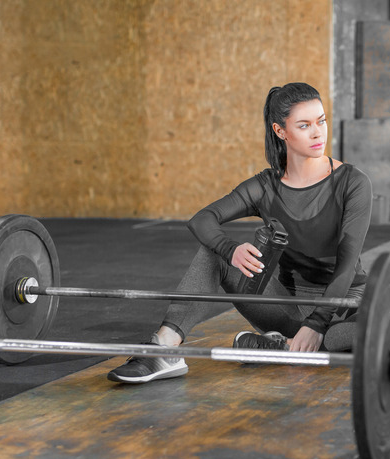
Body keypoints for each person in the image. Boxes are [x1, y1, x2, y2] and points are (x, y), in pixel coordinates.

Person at [108, 82, 373, 384]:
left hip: (342, 304)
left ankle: (281, 347)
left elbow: (347, 266)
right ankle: (164, 349)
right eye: (304, 125)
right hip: (287, 306)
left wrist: (317, 322)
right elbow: (202, 219)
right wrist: (229, 249)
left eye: (321, 121)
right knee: (213, 254)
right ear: (280, 130)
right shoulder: (264, 186)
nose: (318, 133)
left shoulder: (353, 182)